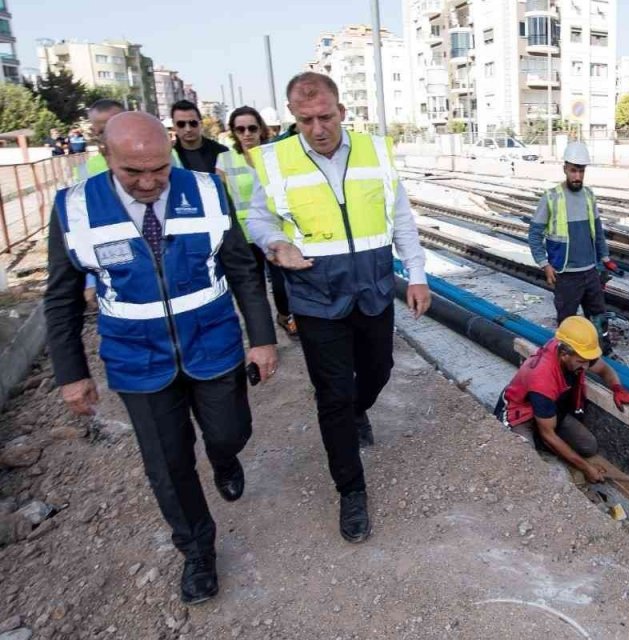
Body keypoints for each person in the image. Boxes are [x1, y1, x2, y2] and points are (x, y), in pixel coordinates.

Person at [43, 112, 279, 604]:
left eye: (159, 169)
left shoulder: (207, 191)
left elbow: (241, 267)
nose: (149, 183)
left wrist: (262, 338)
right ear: (106, 156)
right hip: (136, 359)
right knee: (168, 465)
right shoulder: (74, 208)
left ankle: (223, 457)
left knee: (230, 431)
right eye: (134, 172)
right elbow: (61, 297)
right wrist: (72, 374)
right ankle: (197, 551)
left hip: (212, 344)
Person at [245, 71, 431, 544]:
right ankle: (351, 490)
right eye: (306, 120)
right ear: (293, 117)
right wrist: (276, 245)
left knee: (379, 371)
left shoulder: (375, 153)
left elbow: (401, 218)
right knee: (331, 394)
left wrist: (417, 275)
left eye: (325, 117)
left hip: (372, 290)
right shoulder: (275, 161)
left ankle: (357, 409)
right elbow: (259, 221)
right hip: (316, 296)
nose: (318, 128)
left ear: (342, 111)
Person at [493, 317, 629, 483]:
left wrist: (617, 388)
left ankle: (545, 441)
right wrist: (586, 468)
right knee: (526, 460)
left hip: (549, 412)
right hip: (520, 415)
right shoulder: (543, 379)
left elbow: (605, 369)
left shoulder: (577, 353)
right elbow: (548, 435)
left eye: (588, 361)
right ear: (564, 355)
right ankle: (535, 442)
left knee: (588, 446)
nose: (586, 367)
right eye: (581, 362)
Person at [527, 141, 620, 354]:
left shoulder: (588, 195)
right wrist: (544, 264)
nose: (577, 176)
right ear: (565, 169)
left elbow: (597, 230)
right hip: (565, 275)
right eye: (573, 171)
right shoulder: (551, 197)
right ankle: (568, 360)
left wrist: (605, 257)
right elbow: (534, 235)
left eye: (581, 171)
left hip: (590, 271)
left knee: (598, 317)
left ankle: (603, 353)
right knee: (568, 322)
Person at [216, 106, 296, 336]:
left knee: (281, 282)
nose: (247, 133)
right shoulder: (225, 159)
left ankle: (284, 316)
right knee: (254, 286)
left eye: (252, 128)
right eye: (240, 129)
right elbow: (223, 199)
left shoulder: (273, 156)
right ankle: (263, 333)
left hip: (274, 230)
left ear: (260, 128)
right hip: (242, 234)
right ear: (233, 132)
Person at [170, 100, 228, 173]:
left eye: (193, 123)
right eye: (181, 124)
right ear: (174, 125)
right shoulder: (168, 156)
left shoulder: (221, 152)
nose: (188, 129)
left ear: (201, 123)